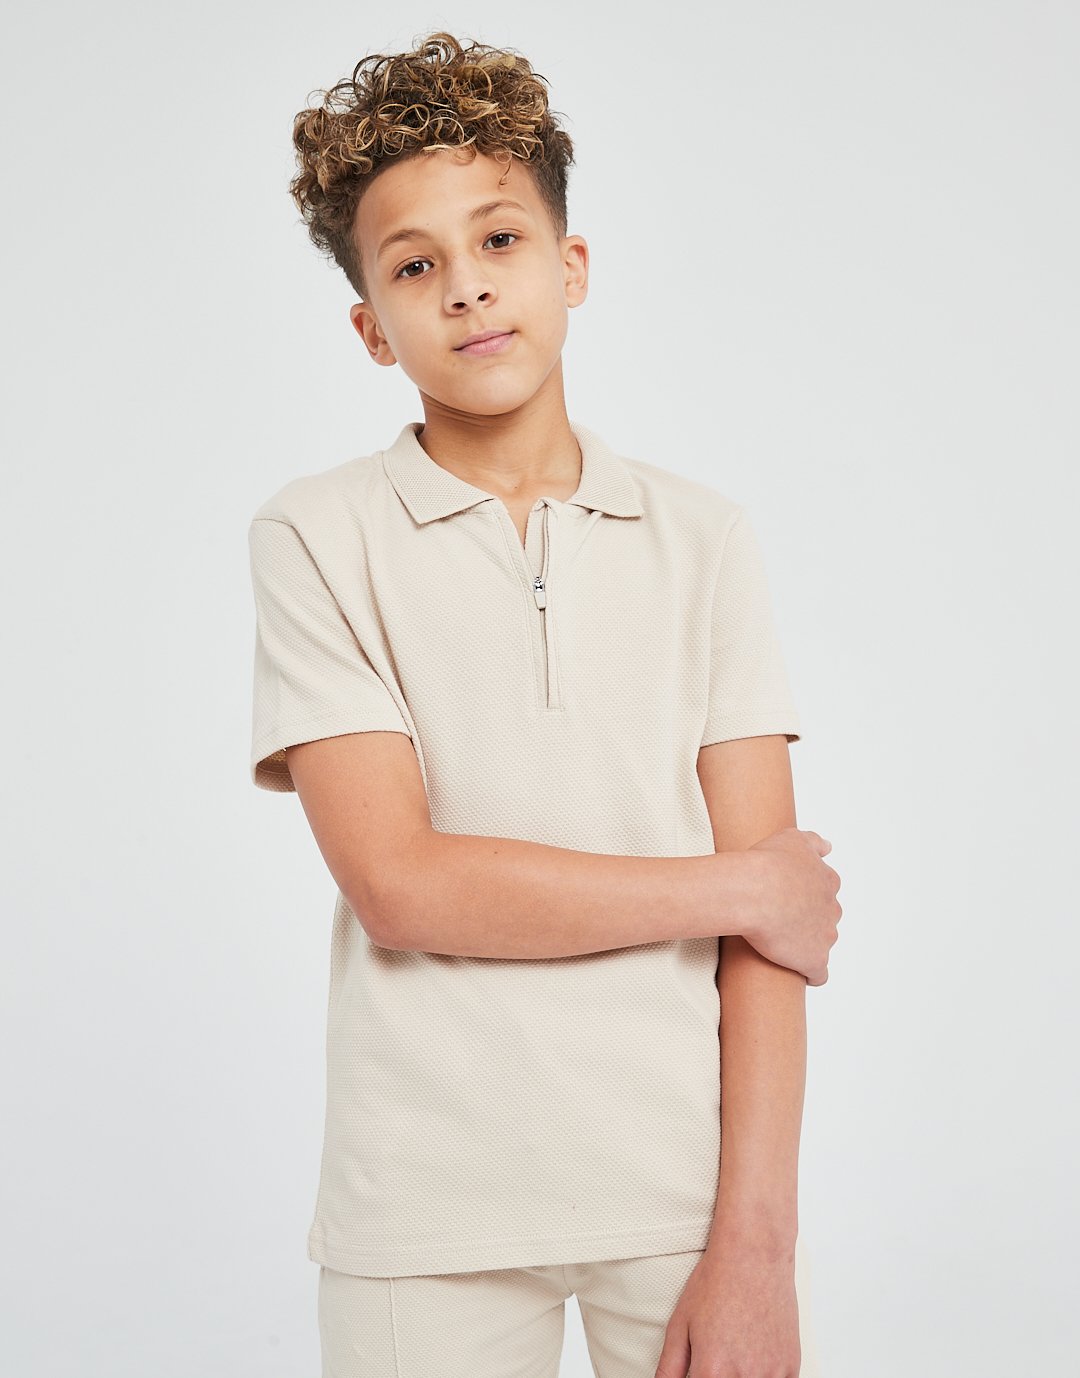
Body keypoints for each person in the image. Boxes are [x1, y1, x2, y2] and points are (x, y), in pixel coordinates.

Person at [246, 29, 841, 1378]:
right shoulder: (315, 537)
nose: (466, 285)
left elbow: (774, 950)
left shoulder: (704, 538)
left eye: (499, 239)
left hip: (683, 1203)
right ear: (371, 328)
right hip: (424, 1209)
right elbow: (403, 886)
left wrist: (758, 1247)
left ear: (570, 267)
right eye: (414, 266)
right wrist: (735, 888)